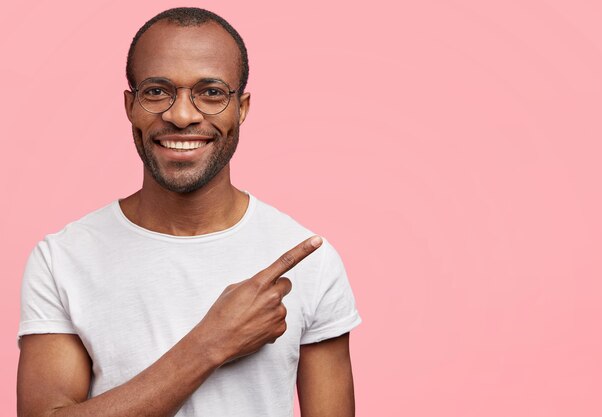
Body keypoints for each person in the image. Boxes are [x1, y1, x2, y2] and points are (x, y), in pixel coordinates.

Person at [16, 7, 360, 417]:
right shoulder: (62, 259)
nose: (181, 116)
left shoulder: (308, 260)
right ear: (130, 106)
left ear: (242, 108)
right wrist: (209, 344)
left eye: (211, 92)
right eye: (157, 91)